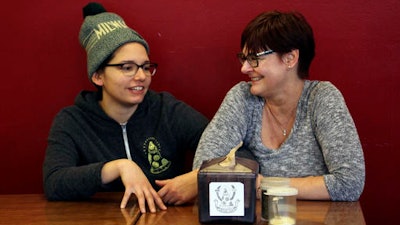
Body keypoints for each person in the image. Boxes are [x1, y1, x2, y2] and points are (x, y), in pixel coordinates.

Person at [42, 2, 209, 213]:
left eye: (146, 67)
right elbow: (54, 182)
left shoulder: (167, 110)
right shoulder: (72, 120)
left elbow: (235, 153)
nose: (141, 76)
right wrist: (118, 167)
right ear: (98, 76)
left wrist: (198, 179)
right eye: (127, 67)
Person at [192, 10, 365, 201]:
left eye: (254, 58)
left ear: (290, 59)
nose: (245, 68)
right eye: (244, 58)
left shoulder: (320, 98)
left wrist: (261, 184)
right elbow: (202, 170)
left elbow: (349, 183)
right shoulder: (243, 98)